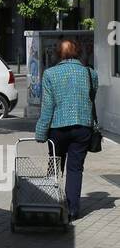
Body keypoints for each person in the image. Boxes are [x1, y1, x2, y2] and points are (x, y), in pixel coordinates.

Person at [34, 39, 97, 222]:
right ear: (78, 52)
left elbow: (47, 107)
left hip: (58, 129)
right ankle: (72, 210)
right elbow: (91, 99)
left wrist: (41, 132)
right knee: (75, 169)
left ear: (58, 54)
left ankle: (51, 203)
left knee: (55, 166)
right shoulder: (90, 73)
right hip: (83, 127)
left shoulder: (50, 74)